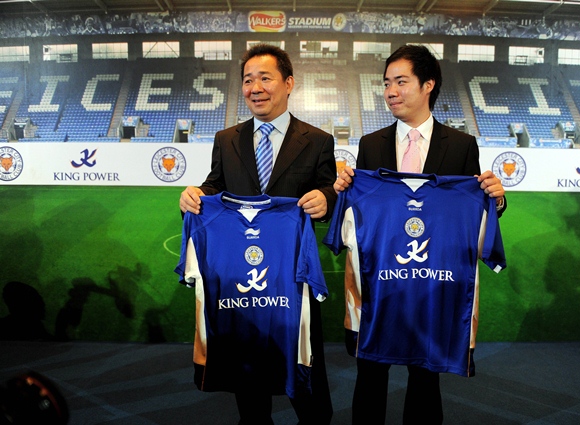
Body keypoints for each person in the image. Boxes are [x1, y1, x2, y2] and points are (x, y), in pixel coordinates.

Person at [333, 44, 507, 424]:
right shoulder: (370, 144)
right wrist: (344, 190)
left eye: (401, 82)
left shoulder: (461, 145)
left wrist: (495, 198)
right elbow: (364, 217)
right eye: (386, 83)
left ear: (428, 84)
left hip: (431, 287)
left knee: (425, 377)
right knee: (370, 375)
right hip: (381, 283)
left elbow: (468, 206)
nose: (390, 91)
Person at [179, 43, 335, 425]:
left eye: (265, 77)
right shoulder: (226, 138)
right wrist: (194, 194)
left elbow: (330, 189)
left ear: (288, 83)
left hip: (290, 281)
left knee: (311, 394)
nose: (255, 87)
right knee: (250, 395)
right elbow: (214, 187)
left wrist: (326, 199)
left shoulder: (317, 140)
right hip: (241, 285)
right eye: (248, 80)